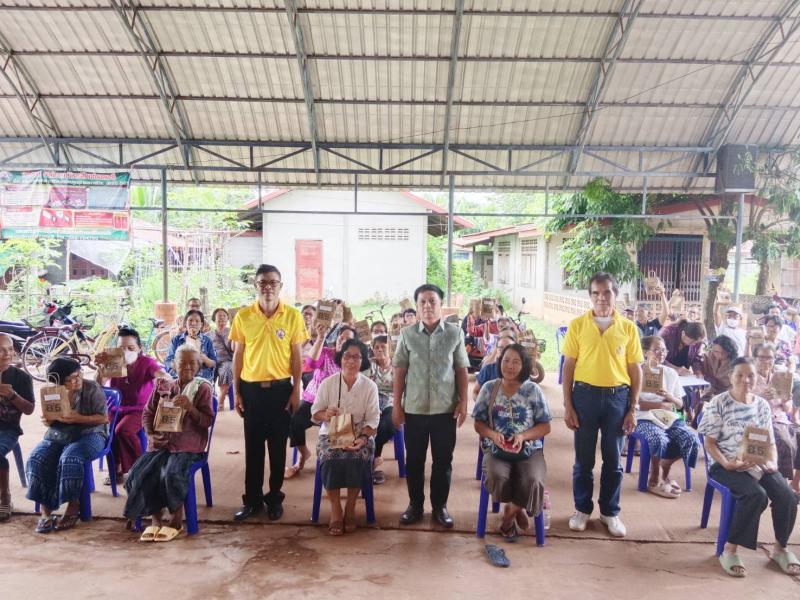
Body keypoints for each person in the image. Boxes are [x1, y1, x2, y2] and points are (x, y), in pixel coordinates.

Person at [697, 357, 799, 578]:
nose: (746, 380)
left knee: (788, 496)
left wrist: (772, 462)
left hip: (758, 462)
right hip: (725, 464)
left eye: (751, 375)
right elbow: (709, 443)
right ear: (731, 377)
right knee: (756, 496)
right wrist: (728, 463)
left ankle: (780, 549)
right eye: (740, 375)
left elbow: (770, 442)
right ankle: (729, 550)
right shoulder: (719, 403)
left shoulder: (761, 405)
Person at [562, 272, 642, 538]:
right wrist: (568, 405)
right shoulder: (577, 325)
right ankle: (581, 509)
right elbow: (569, 366)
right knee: (583, 460)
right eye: (595, 293)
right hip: (584, 397)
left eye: (607, 292)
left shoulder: (628, 328)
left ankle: (610, 512)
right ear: (590, 296)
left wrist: (632, 408)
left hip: (617, 399)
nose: (601, 298)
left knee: (613, 460)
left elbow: (635, 369)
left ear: (615, 294)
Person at [229, 264, 307, 522]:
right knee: (253, 449)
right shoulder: (244, 316)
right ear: (256, 285)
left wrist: (296, 389)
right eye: (263, 282)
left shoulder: (293, 316)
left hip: (280, 391)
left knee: (277, 448)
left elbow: (296, 356)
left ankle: (274, 498)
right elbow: (238, 355)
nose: (268, 287)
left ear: (280, 286)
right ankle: (252, 501)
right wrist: (237, 391)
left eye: (273, 282)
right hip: (251, 391)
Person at [393, 283, 469, 528]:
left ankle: (440, 507)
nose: (427, 306)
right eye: (422, 302)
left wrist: (464, 402)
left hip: (445, 410)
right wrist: (396, 405)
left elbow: (461, 369)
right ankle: (415, 505)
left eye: (432, 301)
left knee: (443, 462)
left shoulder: (455, 334)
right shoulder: (407, 335)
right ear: (417, 306)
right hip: (414, 409)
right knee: (414, 461)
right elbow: (400, 370)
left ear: (440, 304)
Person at [123, 344, 215, 541]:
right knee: (139, 473)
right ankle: (155, 520)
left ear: (198, 365)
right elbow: (147, 413)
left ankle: (176, 519)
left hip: (188, 447)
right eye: (183, 363)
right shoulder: (163, 386)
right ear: (174, 364)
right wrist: (150, 434)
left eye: (192, 363)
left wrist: (191, 408)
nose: (188, 367)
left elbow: (207, 421)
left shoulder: (202, 388)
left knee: (172, 474)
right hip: (161, 445)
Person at [473, 344, 551, 540]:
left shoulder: (532, 390)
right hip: (497, 450)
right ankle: (518, 508)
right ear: (500, 362)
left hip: (529, 451)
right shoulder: (489, 388)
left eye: (516, 362)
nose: (510, 365)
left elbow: (545, 426)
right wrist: (492, 435)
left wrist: (523, 436)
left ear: (524, 365)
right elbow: (478, 424)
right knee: (496, 476)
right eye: (506, 360)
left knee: (533, 480)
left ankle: (510, 513)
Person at [26, 358, 108, 533]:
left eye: (79, 374)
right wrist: (48, 420)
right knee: (37, 458)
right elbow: (49, 422)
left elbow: (103, 418)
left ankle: (73, 506)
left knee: (70, 457)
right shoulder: (52, 392)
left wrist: (79, 418)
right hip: (59, 434)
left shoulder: (92, 388)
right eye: (70, 379)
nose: (77, 380)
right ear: (59, 382)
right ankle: (45, 512)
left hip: (90, 433)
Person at [311, 339, 380, 535]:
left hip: (360, 433)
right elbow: (315, 413)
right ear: (340, 358)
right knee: (330, 458)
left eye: (356, 357)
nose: (351, 361)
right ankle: (336, 509)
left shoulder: (369, 386)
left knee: (358, 457)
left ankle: (350, 507)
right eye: (347, 356)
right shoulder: (328, 383)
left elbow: (373, 420)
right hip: (331, 432)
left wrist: (363, 438)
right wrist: (326, 414)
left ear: (363, 361)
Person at [95, 327, 166, 486]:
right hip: (117, 407)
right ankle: (116, 470)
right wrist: (100, 369)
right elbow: (98, 384)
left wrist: (165, 378)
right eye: (121, 348)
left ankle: (140, 469)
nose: (125, 352)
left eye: (130, 348)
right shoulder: (114, 361)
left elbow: (160, 373)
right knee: (107, 430)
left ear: (139, 348)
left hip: (141, 409)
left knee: (123, 430)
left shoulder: (146, 363)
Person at [286, 323, 356, 479]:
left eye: (348, 339)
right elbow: (311, 363)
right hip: (314, 400)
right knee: (293, 418)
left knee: (343, 440)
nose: (343, 341)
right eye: (341, 337)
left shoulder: (354, 361)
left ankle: (340, 470)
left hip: (339, 406)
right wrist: (320, 337)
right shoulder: (325, 352)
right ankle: (303, 454)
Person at [634, 336, 699, 498]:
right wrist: (660, 405)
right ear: (645, 352)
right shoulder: (637, 371)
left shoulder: (670, 373)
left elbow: (679, 404)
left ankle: (666, 466)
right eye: (656, 350)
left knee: (691, 439)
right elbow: (634, 404)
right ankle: (655, 472)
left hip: (667, 417)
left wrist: (668, 396)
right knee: (658, 439)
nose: (661, 354)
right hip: (643, 417)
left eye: (664, 350)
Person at [752, 343, 800, 493]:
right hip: (759, 422)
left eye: (770, 358)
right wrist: (761, 397)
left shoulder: (780, 377)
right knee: (782, 440)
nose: (766, 361)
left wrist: (786, 399)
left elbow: (787, 409)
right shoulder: (748, 377)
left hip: (781, 419)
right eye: (762, 357)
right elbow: (743, 405)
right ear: (754, 358)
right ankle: (780, 486)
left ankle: (795, 482)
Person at [0, 333, 35, 521]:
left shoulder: (21, 377)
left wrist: (13, 396)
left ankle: (4, 497)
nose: (7, 354)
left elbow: (29, 410)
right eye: (1, 350)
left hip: (7, 429)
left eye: (10, 349)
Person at [366, 335, 396, 485]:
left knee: (388, 424)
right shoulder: (369, 365)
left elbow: (402, 390)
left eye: (383, 347)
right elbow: (363, 386)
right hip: (371, 401)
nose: (379, 350)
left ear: (390, 348)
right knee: (366, 424)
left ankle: (372, 459)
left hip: (391, 401)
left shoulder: (397, 365)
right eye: (376, 347)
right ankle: (366, 463)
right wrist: (373, 406)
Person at [165, 310, 217, 382]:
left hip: (202, 376)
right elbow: (168, 361)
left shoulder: (207, 341)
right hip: (180, 374)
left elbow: (213, 363)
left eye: (197, 321)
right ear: (185, 323)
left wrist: (205, 359)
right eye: (190, 320)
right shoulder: (176, 340)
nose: (193, 323)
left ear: (201, 324)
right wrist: (179, 367)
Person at [700, 335, 739, 404]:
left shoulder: (736, 365)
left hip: (725, 398)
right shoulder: (710, 356)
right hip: (707, 392)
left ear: (729, 351)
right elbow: (698, 362)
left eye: (723, 352)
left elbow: (735, 388)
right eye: (716, 352)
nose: (719, 355)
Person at [209, 308, 234, 405]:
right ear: (214, 319)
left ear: (228, 318)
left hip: (227, 360)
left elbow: (235, 348)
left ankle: (221, 398)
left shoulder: (233, 332)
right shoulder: (209, 334)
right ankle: (210, 399)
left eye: (224, 316)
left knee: (227, 369)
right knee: (205, 370)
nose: (222, 318)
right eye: (219, 316)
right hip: (213, 360)